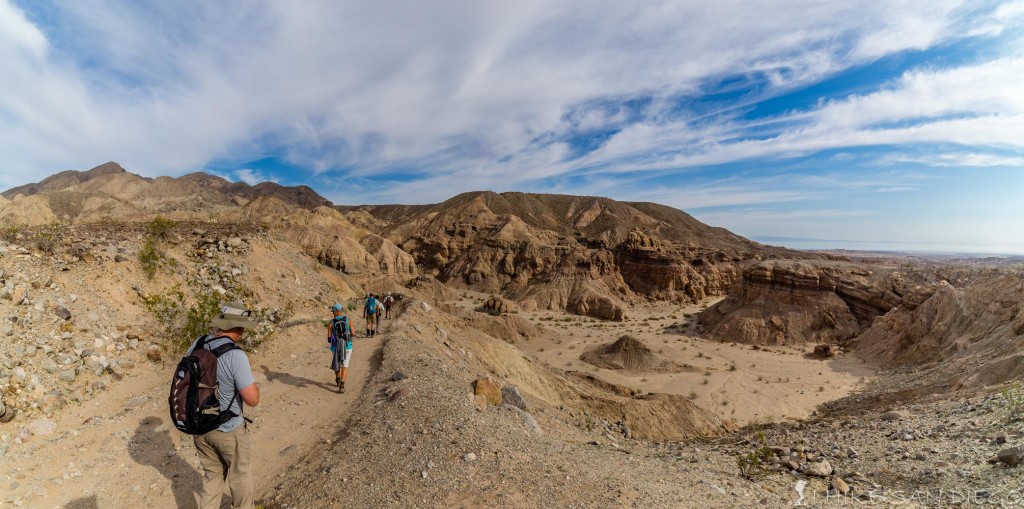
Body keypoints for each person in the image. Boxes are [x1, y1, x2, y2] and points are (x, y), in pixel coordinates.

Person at [187, 301, 260, 509]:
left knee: (212, 476)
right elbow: (252, 399)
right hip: (228, 429)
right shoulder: (236, 355)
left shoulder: (198, 343)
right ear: (238, 328)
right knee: (240, 476)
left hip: (200, 426)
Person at [327, 303, 353, 393]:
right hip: (347, 346)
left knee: (337, 363)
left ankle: (338, 380)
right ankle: (342, 385)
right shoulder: (348, 320)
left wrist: (334, 339)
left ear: (337, 311)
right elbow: (353, 333)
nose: (333, 313)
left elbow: (329, 338)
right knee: (345, 366)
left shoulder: (332, 322)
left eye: (333, 311)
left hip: (336, 347)